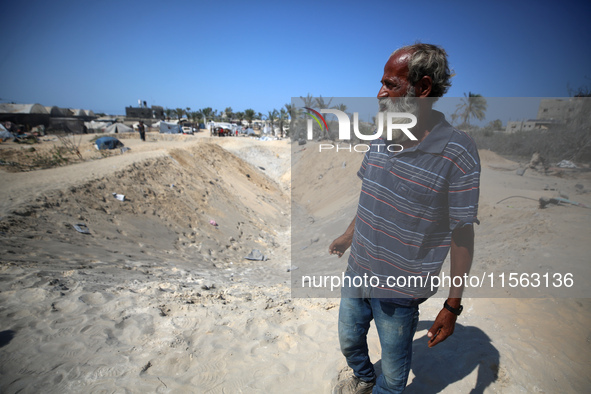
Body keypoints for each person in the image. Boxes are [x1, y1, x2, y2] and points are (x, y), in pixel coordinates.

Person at [329, 43, 480, 394]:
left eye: (391, 84)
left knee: (395, 376)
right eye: (381, 83)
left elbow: (462, 234)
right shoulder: (383, 134)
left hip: (399, 290)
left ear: (423, 88)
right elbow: (371, 197)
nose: (380, 93)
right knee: (349, 341)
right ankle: (364, 378)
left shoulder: (457, 151)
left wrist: (452, 306)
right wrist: (349, 235)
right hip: (359, 269)